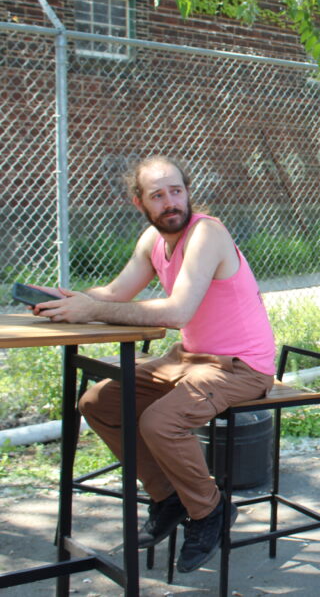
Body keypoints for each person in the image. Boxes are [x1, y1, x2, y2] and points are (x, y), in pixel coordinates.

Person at [32, 156, 277, 573]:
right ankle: (169, 497)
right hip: (188, 359)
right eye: (157, 195)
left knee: (160, 422)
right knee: (98, 404)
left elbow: (177, 312)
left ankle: (211, 511)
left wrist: (91, 310)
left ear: (188, 192)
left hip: (241, 367)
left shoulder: (207, 233)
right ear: (140, 202)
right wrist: (69, 300)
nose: (170, 202)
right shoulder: (153, 240)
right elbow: (115, 293)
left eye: (176, 191)